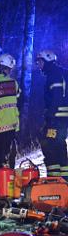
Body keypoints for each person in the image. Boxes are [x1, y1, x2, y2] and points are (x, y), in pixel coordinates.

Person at [36, 50, 68, 178]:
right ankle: (57, 178)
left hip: (57, 118)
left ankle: (60, 179)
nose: (39, 65)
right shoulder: (61, 72)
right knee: (55, 145)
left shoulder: (54, 75)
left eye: (40, 62)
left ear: (47, 61)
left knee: (53, 145)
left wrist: (50, 116)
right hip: (60, 117)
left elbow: (56, 97)